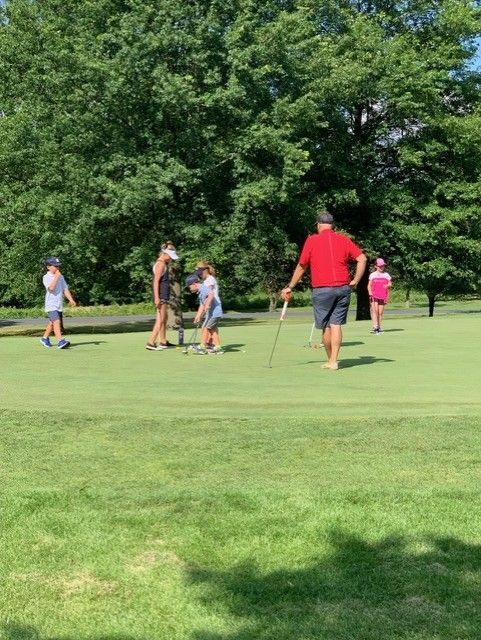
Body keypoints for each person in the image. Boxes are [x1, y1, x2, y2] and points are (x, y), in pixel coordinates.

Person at [281, 211, 367, 370]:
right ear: (332, 225)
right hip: (343, 288)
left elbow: (302, 266)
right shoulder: (343, 239)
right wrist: (355, 280)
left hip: (322, 289)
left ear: (318, 225)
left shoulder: (312, 240)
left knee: (326, 325)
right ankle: (334, 361)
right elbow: (362, 259)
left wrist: (290, 286)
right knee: (336, 325)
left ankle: (331, 360)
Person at [146, 243, 179, 351]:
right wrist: (157, 298)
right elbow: (155, 282)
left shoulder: (163, 264)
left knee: (164, 318)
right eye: (169, 257)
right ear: (165, 254)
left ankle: (163, 341)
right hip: (160, 296)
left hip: (163, 295)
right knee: (161, 319)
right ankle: (151, 342)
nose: (170, 259)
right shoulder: (160, 264)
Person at [40, 257, 77, 349]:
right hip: (50, 304)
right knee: (56, 321)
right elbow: (51, 288)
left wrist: (71, 299)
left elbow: (65, 289)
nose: (57, 268)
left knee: (52, 323)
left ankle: (45, 338)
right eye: (55, 266)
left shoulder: (61, 277)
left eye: (58, 266)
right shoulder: (46, 277)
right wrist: (56, 276)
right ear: (48, 267)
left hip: (58, 304)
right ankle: (60, 341)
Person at [186, 265, 224, 354]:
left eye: (189, 287)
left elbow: (211, 294)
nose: (189, 289)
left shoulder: (203, 288)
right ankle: (218, 347)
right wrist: (198, 316)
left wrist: (207, 304)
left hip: (215, 312)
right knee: (212, 329)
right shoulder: (200, 292)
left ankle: (202, 347)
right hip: (213, 313)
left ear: (194, 284)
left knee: (207, 328)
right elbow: (202, 305)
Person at [368, 258, 392, 334]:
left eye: (383, 266)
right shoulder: (372, 275)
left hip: (382, 295)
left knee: (380, 312)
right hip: (374, 295)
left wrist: (387, 285)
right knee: (375, 311)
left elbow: (390, 284)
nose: (381, 267)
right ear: (376, 266)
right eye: (380, 266)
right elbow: (369, 285)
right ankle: (375, 327)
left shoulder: (386, 275)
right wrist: (370, 292)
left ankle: (379, 326)